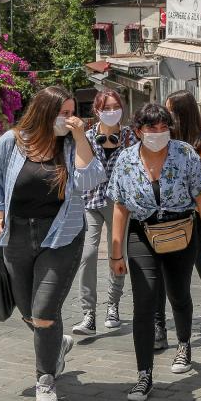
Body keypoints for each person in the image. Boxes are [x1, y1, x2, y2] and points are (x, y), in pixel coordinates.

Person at [0, 85, 106, 401]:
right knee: (29, 312)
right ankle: (56, 345)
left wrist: (80, 137)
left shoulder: (74, 144)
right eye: (63, 113)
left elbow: (90, 180)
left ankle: (45, 381)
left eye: (72, 112)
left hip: (61, 236)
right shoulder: (12, 142)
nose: (69, 118)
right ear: (44, 112)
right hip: (17, 236)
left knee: (44, 312)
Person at [107, 102, 201, 401]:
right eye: (151, 128)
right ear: (138, 131)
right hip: (141, 233)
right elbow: (120, 206)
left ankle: (184, 344)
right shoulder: (126, 160)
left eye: (163, 127)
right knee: (144, 302)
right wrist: (115, 253)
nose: (158, 133)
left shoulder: (185, 154)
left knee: (178, 293)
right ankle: (143, 374)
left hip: (181, 231)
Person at [154, 90, 201, 349]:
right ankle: (158, 323)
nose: (167, 116)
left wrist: (196, 202)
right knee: (163, 269)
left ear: (182, 113)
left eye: (170, 111)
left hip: (199, 216)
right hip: (170, 218)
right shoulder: (164, 142)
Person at [73, 89, 135, 336]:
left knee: (116, 253)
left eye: (115, 107)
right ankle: (88, 313)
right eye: (106, 108)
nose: (111, 112)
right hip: (91, 200)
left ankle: (113, 305)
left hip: (119, 203)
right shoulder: (87, 137)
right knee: (87, 254)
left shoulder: (130, 137)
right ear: (97, 110)